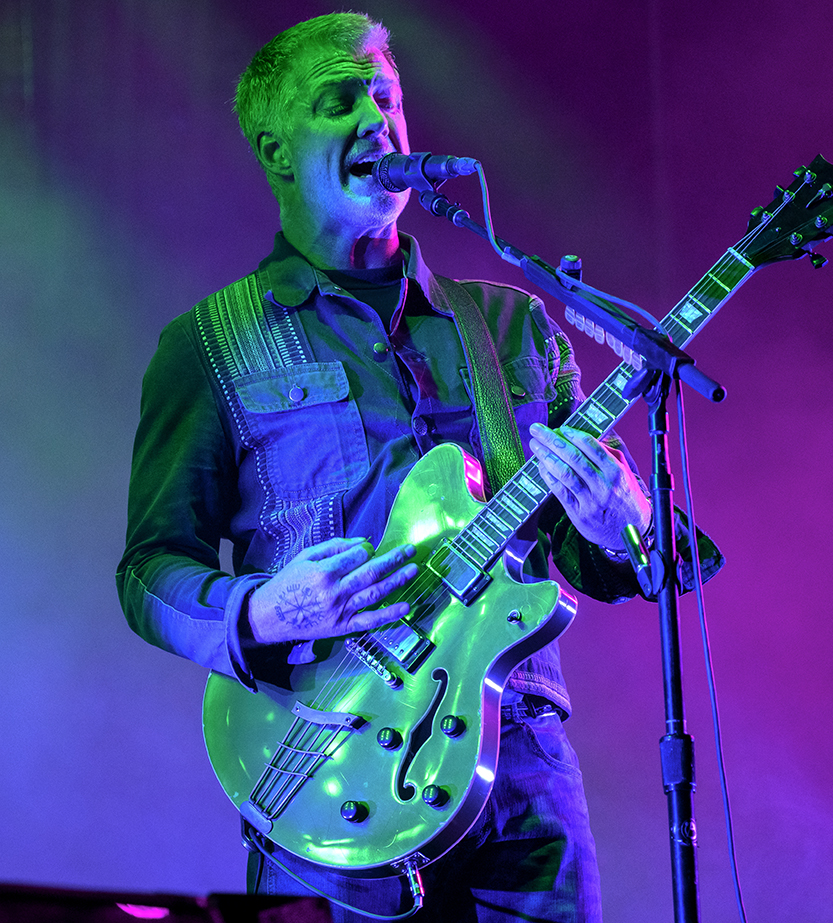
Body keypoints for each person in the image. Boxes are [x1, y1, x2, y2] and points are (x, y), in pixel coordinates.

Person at [116, 12, 720, 922]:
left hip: (520, 765)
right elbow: (149, 570)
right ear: (278, 152)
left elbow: (610, 554)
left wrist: (624, 521)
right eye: (339, 100)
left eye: (386, 95)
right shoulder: (210, 345)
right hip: (331, 762)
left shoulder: (509, 327)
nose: (376, 118)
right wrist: (257, 610)